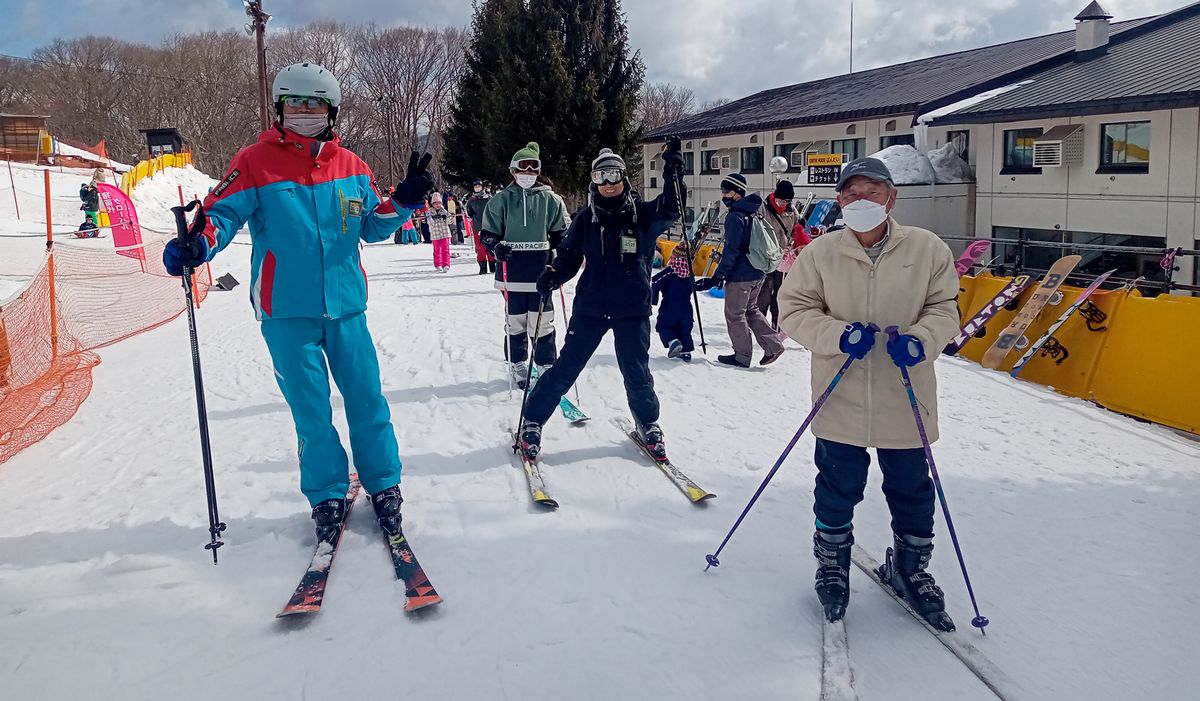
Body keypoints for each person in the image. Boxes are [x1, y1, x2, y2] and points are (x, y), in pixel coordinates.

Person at [160, 62, 435, 543]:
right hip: (286, 309)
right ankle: (327, 491)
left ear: (331, 112)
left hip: (347, 305)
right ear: (279, 109)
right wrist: (198, 244)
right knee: (310, 408)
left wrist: (406, 201)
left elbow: (371, 224)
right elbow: (220, 214)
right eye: (294, 105)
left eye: (314, 105)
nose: (304, 113)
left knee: (366, 399)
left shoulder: (352, 166)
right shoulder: (254, 161)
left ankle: (384, 484)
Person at [776, 156, 960, 629]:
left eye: (871, 192)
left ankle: (910, 566)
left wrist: (921, 339)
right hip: (841, 394)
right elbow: (794, 310)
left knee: (912, 489)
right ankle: (832, 562)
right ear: (839, 201)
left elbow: (945, 307)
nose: (861, 201)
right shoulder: (820, 253)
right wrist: (836, 335)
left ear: (891, 197)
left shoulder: (927, 248)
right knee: (837, 486)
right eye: (851, 194)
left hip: (906, 395)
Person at [517, 139, 685, 460]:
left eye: (613, 176)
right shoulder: (585, 219)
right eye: (600, 177)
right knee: (566, 369)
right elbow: (568, 256)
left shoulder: (643, 215)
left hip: (632, 308)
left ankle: (648, 423)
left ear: (623, 177)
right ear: (593, 181)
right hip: (592, 307)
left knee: (636, 371)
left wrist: (673, 171)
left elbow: (671, 207)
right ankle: (533, 419)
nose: (607, 184)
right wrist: (553, 274)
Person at [480, 142, 568, 385]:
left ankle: (545, 363)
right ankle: (518, 363)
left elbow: (561, 232)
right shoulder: (501, 200)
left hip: (541, 271)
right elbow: (487, 233)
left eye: (533, 169)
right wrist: (495, 247)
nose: (527, 174)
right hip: (512, 272)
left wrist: (562, 252)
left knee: (542, 320)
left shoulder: (551, 200)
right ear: (513, 171)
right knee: (516, 320)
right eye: (522, 168)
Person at [696, 173, 785, 368]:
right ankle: (774, 345)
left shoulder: (735, 216)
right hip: (758, 271)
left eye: (726, 191)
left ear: (737, 192)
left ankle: (742, 356)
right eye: (722, 191)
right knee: (751, 310)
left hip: (741, 275)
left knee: (735, 314)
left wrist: (718, 276)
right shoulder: (753, 211)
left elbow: (732, 250)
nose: (724, 195)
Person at [758, 179, 800, 330]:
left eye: (787, 201)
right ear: (775, 196)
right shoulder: (763, 209)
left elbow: (798, 229)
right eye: (781, 200)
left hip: (784, 258)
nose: (784, 204)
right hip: (766, 257)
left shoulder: (792, 210)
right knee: (764, 291)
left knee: (781, 291)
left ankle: (778, 322)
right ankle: (759, 323)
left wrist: (796, 240)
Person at [651, 244, 696, 361]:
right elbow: (695, 287)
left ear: (674, 257)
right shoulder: (690, 274)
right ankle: (686, 352)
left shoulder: (670, 271)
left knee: (663, 326)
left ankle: (673, 341)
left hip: (669, 307)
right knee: (684, 330)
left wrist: (653, 299)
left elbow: (655, 281)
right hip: (686, 309)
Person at [465, 179, 495, 275]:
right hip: (477, 226)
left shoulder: (488, 197)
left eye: (479, 186)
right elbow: (468, 211)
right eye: (475, 187)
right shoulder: (471, 200)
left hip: (489, 226)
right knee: (480, 246)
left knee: (490, 245)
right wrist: (468, 215)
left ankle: (493, 265)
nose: (477, 188)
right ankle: (482, 267)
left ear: (482, 187)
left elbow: (494, 209)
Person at [427, 192, 454, 272]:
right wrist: (433, 218)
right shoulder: (429, 212)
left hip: (444, 233)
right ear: (432, 204)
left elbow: (450, 221)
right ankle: (438, 264)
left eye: (439, 203)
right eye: (435, 203)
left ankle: (446, 264)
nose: (437, 205)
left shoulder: (444, 211)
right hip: (435, 234)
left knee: (445, 250)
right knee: (437, 250)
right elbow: (429, 222)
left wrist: (446, 217)